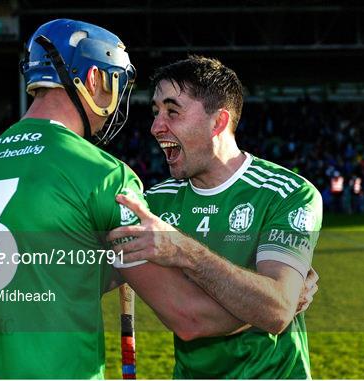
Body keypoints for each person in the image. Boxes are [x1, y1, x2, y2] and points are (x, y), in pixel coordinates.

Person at [0, 20, 283, 379]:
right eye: (114, 81)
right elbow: (190, 317)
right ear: (91, 80)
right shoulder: (102, 174)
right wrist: (269, 308)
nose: (117, 97)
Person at [109, 56, 323, 379]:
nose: (155, 127)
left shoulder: (286, 193)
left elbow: (277, 309)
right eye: (155, 112)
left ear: (218, 122)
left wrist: (183, 250)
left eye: (172, 111)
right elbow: (195, 318)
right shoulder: (152, 203)